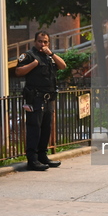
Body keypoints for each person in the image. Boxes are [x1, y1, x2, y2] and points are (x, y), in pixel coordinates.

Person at [15, 31, 67, 171]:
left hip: (48, 98)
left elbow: (63, 66)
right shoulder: (29, 55)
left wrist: (51, 54)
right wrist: (34, 64)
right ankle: (32, 159)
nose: (42, 44)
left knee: (46, 128)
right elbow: (18, 72)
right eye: (40, 41)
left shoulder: (49, 56)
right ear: (35, 42)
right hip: (35, 98)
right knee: (34, 128)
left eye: (45, 42)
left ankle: (42, 156)